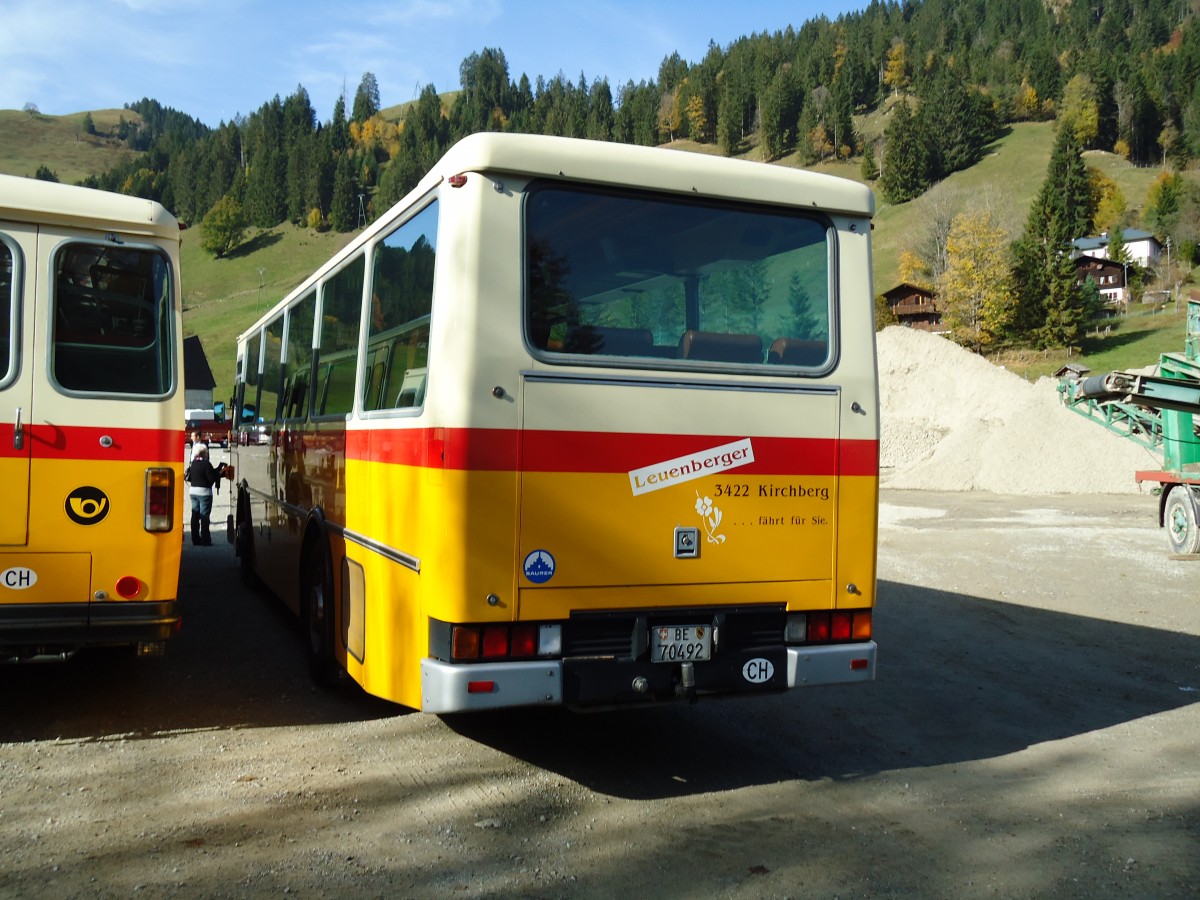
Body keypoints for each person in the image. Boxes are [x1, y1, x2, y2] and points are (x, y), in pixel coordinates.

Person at [186, 443, 226, 546]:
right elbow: (211, 478)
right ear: (205, 453)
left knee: (195, 515)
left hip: (193, 492)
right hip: (205, 493)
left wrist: (217, 469)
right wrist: (220, 473)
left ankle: (195, 539)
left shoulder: (193, 463)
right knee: (204, 516)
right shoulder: (206, 464)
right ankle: (206, 539)